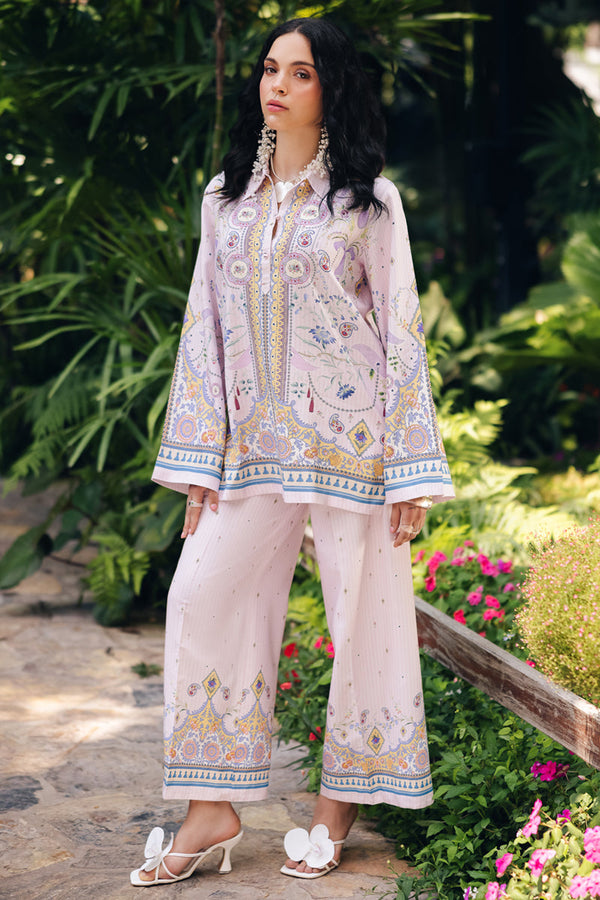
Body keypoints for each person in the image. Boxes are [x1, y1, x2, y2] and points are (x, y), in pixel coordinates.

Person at [130, 15, 454, 888]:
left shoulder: (369, 203)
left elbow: (402, 332)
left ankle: (334, 810)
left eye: (300, 72)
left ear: (330, 87)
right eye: (271, 68)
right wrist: (198, 462)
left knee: (363, 621)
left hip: (355, 450)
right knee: (200, 595)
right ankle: (211, 805)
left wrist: (410, 469)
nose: (277, 84)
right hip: (251, 448)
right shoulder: (224, 198)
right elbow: (204, 329)